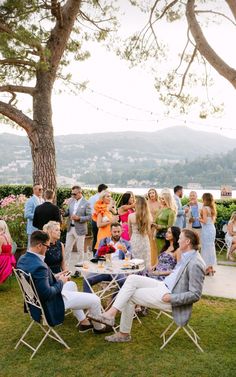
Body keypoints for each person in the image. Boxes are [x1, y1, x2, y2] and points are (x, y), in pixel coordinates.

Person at [88, 229, 205, 343]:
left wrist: (171, 298)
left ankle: (123, 333)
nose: (178, 241)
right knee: (132, 278)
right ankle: (110, 314)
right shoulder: (186, 256)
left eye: (180, 238)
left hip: (169, 295)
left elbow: (195, 294)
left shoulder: (196, 263)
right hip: (163, 285)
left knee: (129, 296)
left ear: (187, 242)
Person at [17, 231, 112, 334]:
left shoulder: (23, 259)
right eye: (47, 247)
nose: (48, 250)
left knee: (71, 284)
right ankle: (99, 328)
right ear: (40, 246)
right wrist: (61, 282)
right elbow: (47, 294)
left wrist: (55, 276)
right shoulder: (39, 266)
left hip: (34, 303)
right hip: (50, 305)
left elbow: (37, 281)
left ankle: (84, 322)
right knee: (95, 300)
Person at [83, 222, 131, 293]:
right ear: (110, 232)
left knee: (123, 281)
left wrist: (126, 252)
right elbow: (96, 256)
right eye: (114, 232)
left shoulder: (126, 243)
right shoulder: (104, 241)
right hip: (104, 270)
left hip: (118, 271)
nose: (117, 234)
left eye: (118, 231)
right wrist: (102, 255)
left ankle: (114, 301)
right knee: (86, 280)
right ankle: (90, 301)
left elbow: (131, 259)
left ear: (121, 231)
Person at [64, 185, 92, 266]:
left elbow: (90, 217)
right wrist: (63, 212)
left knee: (80, 250)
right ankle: (65, 267)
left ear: (80, 193)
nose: (72, 196)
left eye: (74, 194)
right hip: (70, 228)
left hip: (80, 229)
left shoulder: (86, 203)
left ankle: (79, 269)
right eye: (72, 194)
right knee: (67, 249)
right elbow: (68, 212)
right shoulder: (71, 201)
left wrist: (79, 218)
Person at [128, 196, 151, 268]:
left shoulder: (131, 216)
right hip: (144, 239)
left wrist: (131, 239)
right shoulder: (148, 216)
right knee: (145, 259)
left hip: (135, 239)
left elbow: (130, 231)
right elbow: (149, 232)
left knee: (134, 259)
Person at [153, 188, 177, 256]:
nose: (161, 200)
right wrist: (153, 224)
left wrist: (160, 227)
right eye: (160, 198)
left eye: (163, 199)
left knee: (163, 253)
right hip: (157, 235)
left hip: (165, 236)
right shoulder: (160, 209)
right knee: (158, 253)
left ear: (167, 200)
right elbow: (156, 221)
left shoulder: (171, 212)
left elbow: (170, 227)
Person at [199, 193, 217, 276]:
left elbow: (205, 221)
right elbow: (211, 221)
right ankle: (211, 267)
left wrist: (198, 218)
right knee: (211, 247)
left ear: (204, 199)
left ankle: (207, 268)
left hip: (206, 230)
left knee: (206, 248)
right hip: (212, 229)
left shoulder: (205, 208)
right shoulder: (212, 208)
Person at [88, 184, 108, 254]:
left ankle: (95, 254)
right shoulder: (102, 199)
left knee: (95, 238)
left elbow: (89, 210)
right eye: (106, 191)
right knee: (102, 237)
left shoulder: (91, 198)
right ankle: (101, 254)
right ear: (103, 191)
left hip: (94, 220)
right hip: (101, 220)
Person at [146, 188, 161, 266]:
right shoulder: (146, 203)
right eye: (150, 193)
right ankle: (149, 262)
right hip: (148, 225)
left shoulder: (159, 203)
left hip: (156, 226)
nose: (151, 194)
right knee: (148, 244)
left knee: (155, 244)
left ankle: (155, 263)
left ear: (155, 194)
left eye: (153, 193)